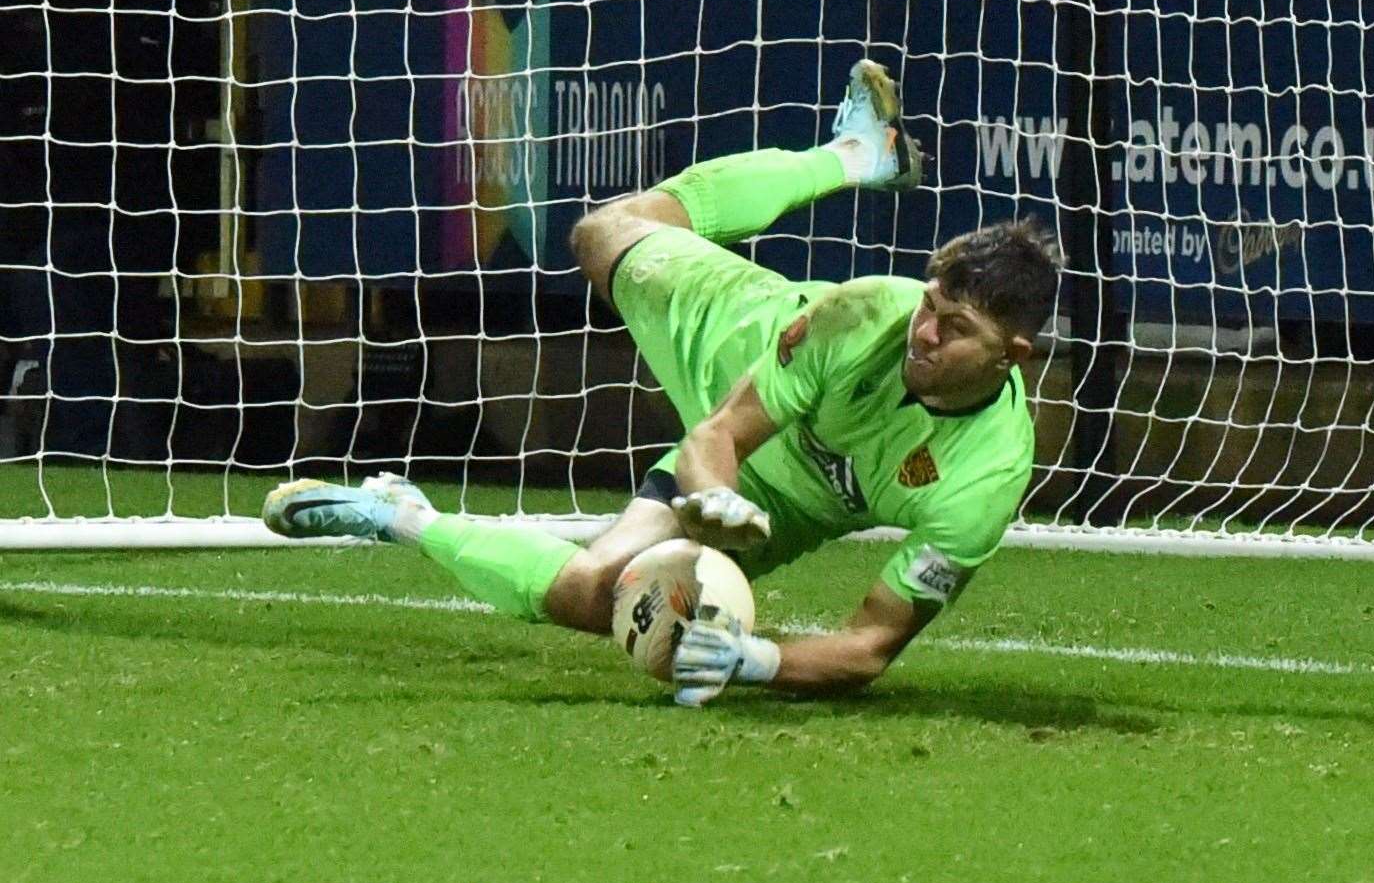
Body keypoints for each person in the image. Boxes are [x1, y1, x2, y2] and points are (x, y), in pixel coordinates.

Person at [263, 60, 1061, 706]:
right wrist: (713, 494)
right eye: (930, 305)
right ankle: (852, 156)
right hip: (733, 337)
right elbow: (718, 436)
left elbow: (869, 646)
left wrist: (755, 660)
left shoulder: (985, 480)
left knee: (595, 596)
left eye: (957, 330)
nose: (925, 332)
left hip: (778, 501)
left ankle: (400, 514)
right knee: (603, 231)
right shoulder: (860, 317)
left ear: (1013, 354)